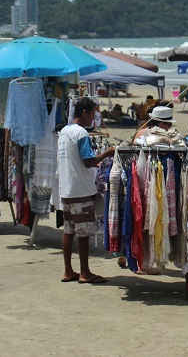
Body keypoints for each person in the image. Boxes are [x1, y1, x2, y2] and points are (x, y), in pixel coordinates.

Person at [57, 98, 115, 284]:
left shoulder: (64, 131)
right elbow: (88, 161)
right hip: (79, 188)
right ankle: (84, 272)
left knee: (69, 230)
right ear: (84, 113)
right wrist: (108, 152)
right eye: (92, 114)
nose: (93, 119)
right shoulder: (81, 133)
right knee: (83, 232)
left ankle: (68, 271)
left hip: (66, 188)